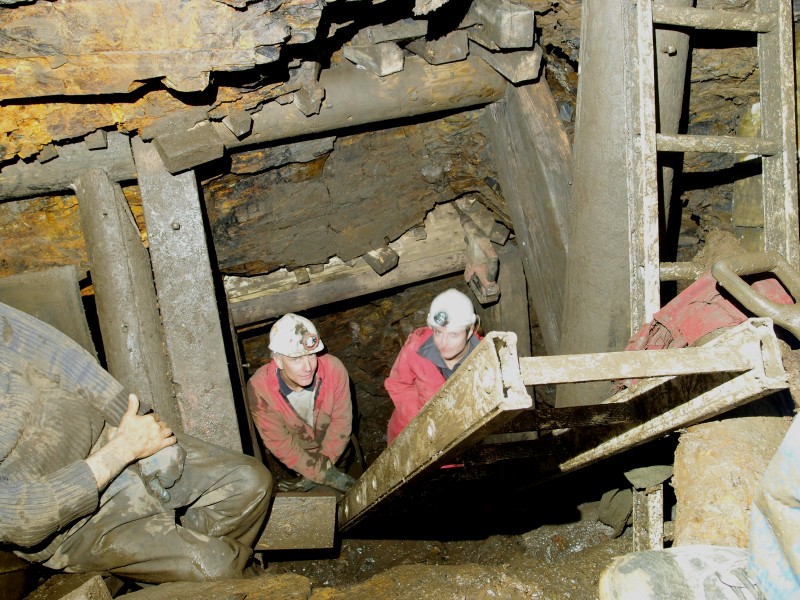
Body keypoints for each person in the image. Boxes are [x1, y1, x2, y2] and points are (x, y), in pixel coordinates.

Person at [0, 301, 272, 583]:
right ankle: (226, 571)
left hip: (111, 434)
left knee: (251, 483)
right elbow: (22, 520)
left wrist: (133, 421)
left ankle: (191, 557)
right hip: (71, 524)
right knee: (217, 568)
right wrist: (122, 451)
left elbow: (59, 356)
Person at [247, 313, 356, 493]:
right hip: (298, 458)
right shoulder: (260, 388)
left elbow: (341, 422)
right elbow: (279, 442)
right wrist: (320, 474)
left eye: (311, 356)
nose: (308, 368)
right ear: (278, 360)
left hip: (337, 450)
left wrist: (323, 471)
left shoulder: (333, 369)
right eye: (296, 359)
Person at [385, 288, 480, 445]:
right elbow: (397, 384)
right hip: (406, 433)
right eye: (438, 332)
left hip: (451, 441)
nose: (443, 343)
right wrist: (420, 423)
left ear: (470, 331)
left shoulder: (482, 359)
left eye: (453, 334)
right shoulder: (416, 347)